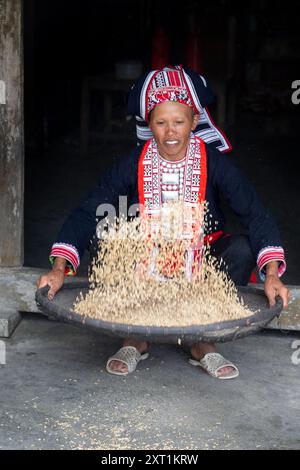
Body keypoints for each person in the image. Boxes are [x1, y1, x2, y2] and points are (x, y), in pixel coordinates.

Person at [37, 65, 289, 380]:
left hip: (201, 270)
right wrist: (59, 268)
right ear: (149, 125)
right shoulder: (135, 162)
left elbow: (254, 213)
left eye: (179, 122)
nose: (170, 133)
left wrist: (272, 274)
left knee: (240, 247)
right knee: (104, 235)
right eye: (161, 123)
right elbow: (88, 210)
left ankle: (200, 341)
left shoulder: (215, 163)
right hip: (145, 267)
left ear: (194, 122)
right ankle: (135, 336)